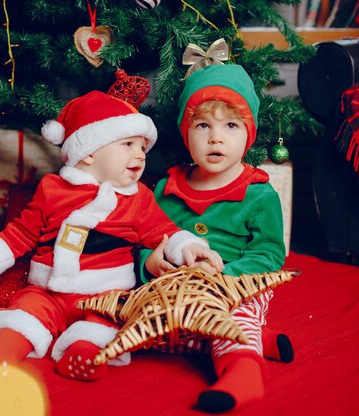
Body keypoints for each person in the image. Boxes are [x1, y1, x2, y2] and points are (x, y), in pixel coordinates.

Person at [0, 90, 224, 382]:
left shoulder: (138, 198)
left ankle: (84, 351)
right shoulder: (53, 188)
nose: (140, 154)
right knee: (24, 311)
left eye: (142, 148)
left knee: (109, 321)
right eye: (128, 144)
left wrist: (187, 245)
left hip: (106, 295)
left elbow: (161, 230)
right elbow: (23, 231)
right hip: (49, 290)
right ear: (89, 151)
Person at [139, 62, 293, 413]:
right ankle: (256, 340)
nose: (216, 137)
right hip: (177, 288)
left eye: (231, 125)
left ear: (248, 133)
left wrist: (225, 279)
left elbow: (269, 254)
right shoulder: (165, 189)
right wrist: (150, 262)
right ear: (185, 133)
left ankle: (244, 371)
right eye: (203, 125)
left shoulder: (258, 194)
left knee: (230, 318)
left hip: (238, 285)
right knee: (151, 326)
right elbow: (146, 237)